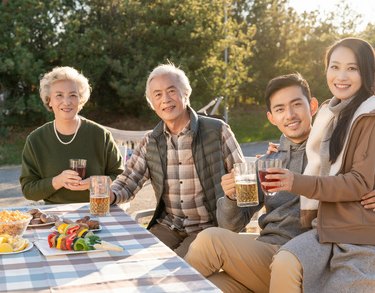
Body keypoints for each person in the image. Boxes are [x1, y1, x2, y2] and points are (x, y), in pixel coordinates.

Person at [184, 73, 375, 292]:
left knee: (209, 240)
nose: (290, 114)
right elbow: (231, 226)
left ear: (313, 107)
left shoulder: (335, 151)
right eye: (280, 109)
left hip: (306, 258)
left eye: (297, 104)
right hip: (263, 255)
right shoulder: (267, 162)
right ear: (272, 117)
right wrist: (232, 197)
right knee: (205, 286)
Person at [267, 38, 375, 292]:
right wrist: (280, 151)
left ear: (367, 72)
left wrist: (294, 181)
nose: (341, 76)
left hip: (366, 235)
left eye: (352, 68)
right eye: (334, 67)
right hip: (331, 228)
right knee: (285, 260)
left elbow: (360, 182)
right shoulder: (334, 114)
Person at [110, 63, 244, 257]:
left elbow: (242, 178)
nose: (165, 99)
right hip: (167, 226)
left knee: (173, 269)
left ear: (186, 94)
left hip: (208, 228)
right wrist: (110, 195)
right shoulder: (151, 141)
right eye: (157, 94)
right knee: (135, 260)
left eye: (171, 91)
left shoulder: (217, 131)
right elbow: (129, 180)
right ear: (152, 103)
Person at [20, 66, 124, 204]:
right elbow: (28, 190)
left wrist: (95, 184)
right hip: (54, 217)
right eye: (59, 95)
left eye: (73, 95)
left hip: (97, 211)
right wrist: (57, 181)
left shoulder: (100, 135)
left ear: (80, 99)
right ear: (49, 100)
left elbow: (122, 179)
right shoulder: (35, 140)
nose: (67, 102)